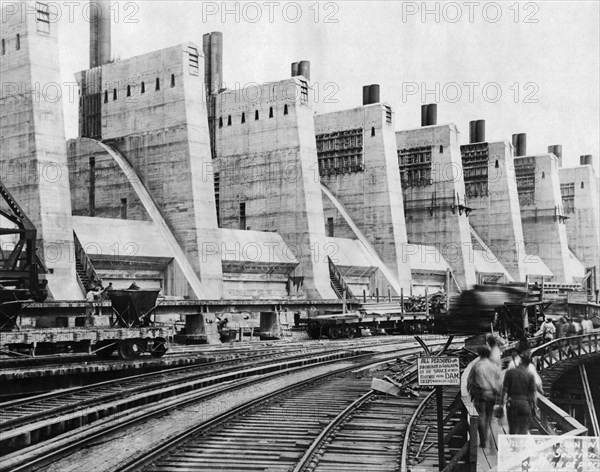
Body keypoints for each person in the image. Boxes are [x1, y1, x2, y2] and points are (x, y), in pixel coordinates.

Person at [467, 346, 502, 448]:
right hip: (492, 394)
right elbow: (499, 381)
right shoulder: (494, 366)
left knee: (480, 416)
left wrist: (470, 392)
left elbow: (470, 380)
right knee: (489, 417)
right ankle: (487, 437)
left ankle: (483, 440)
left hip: (481, 393)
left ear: (480, 355)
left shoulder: (477, 366)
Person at [500, 352, 537, 435]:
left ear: (520, 362)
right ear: (528, 364)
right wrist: (534, 407)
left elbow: (504, 390)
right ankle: (521, 446)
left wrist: (501, 404)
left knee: (512, 430)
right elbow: (533, 394)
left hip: (512, 403)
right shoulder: (530, 375)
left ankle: (513, 447)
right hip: (525, 404)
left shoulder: (510, 373)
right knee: (523, 430)